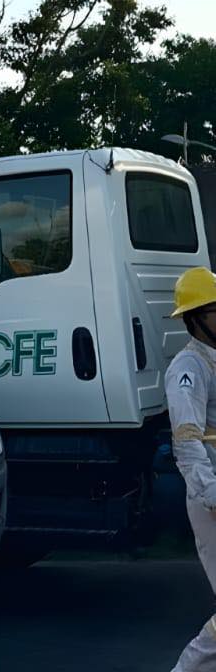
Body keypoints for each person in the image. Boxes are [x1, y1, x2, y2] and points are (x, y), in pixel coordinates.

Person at [167, 267, 216, 670]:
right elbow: (187, 441)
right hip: (211, 496)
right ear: (195, 317)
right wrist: (211, 493)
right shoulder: (189, 368)